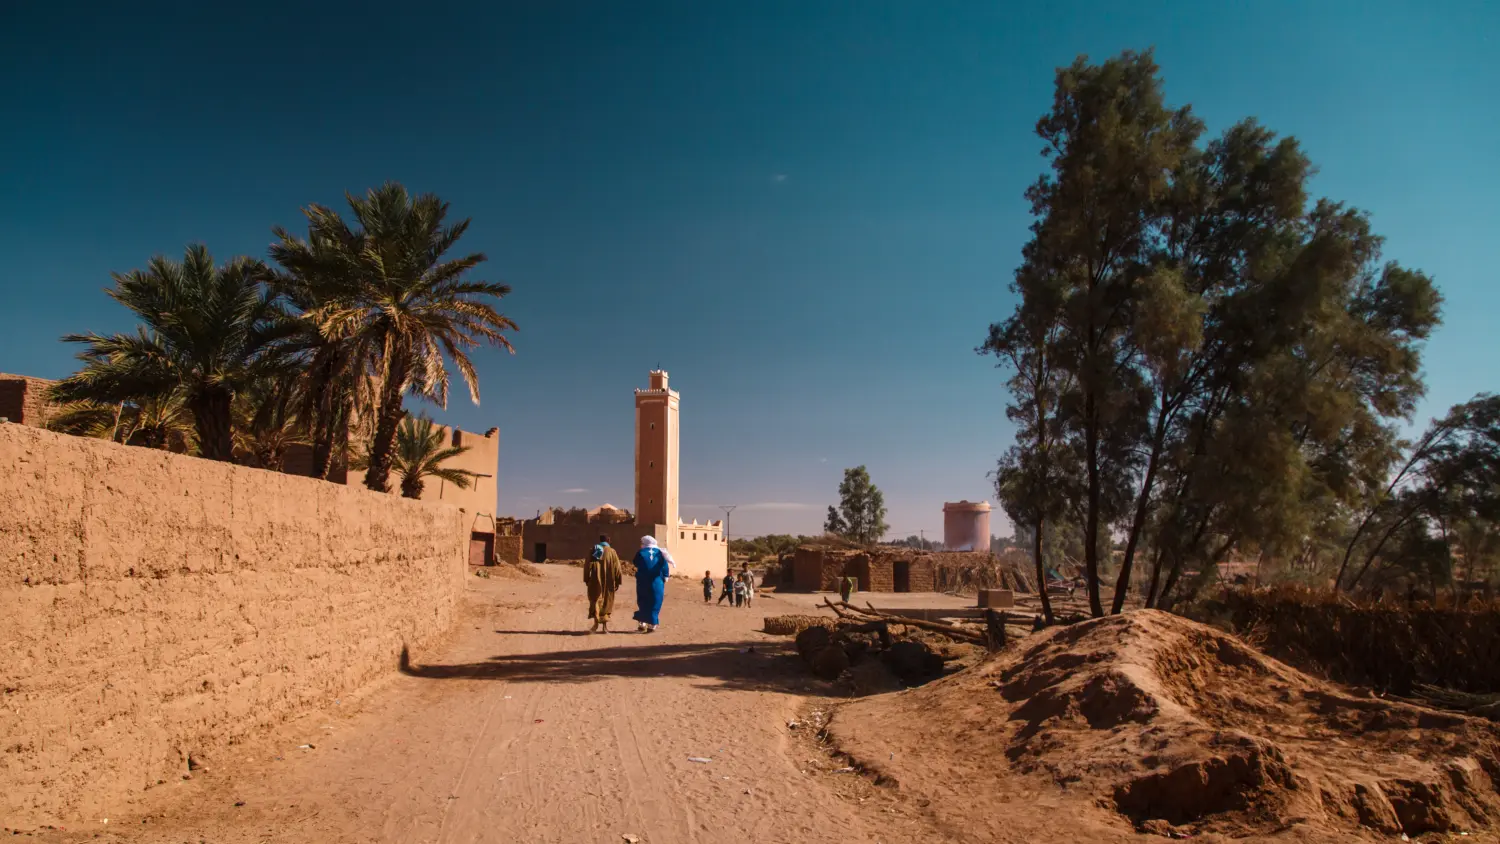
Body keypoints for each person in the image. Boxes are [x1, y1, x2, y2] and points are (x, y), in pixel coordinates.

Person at [632, 536, 673, 632]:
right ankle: (653, 623)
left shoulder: (640, 552)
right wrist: (666, 575)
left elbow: (635, 562)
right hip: (657, 581)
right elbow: (665, 565)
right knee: (656, 600)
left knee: (643, 600)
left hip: (643, 581)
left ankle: (642, 622)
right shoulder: (660, 553)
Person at [584, 534, 623, 634]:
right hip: (609, 581)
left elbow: (587, 565)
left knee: (595, 600)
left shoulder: (594, 549)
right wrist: (618, 581)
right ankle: (605, 627)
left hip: (595, 580)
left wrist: (586, 579)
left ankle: (595, 624)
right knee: (607, 601)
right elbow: (617, 567)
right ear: (608, 540)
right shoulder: (612, 551)